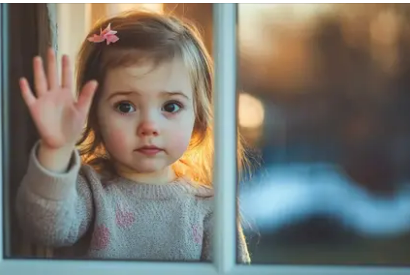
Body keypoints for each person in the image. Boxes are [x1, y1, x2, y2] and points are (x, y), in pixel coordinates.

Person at [15, 9, 251, 263]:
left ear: (199, 118)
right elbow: (46, 229)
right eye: (125, 106)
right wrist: (56, 148)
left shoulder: (210, 209)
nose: (149, 126)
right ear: (95, 116)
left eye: (170, 106)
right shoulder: (90, 191)